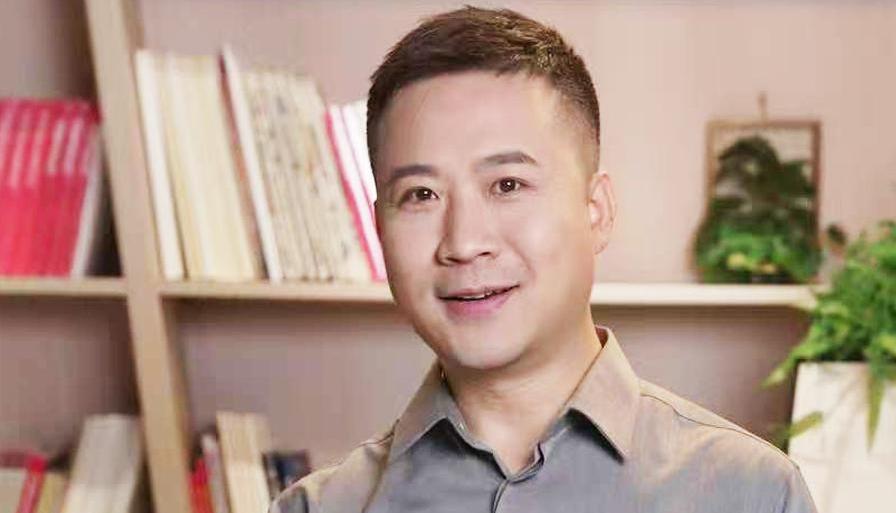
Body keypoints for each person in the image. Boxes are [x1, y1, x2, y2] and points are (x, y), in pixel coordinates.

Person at [271, 6, 817, 513]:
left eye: (507, 184)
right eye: (420, 195)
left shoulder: (751, 493)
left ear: (596, 211)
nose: (463, 242)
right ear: (379, 229)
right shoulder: (317, 507)